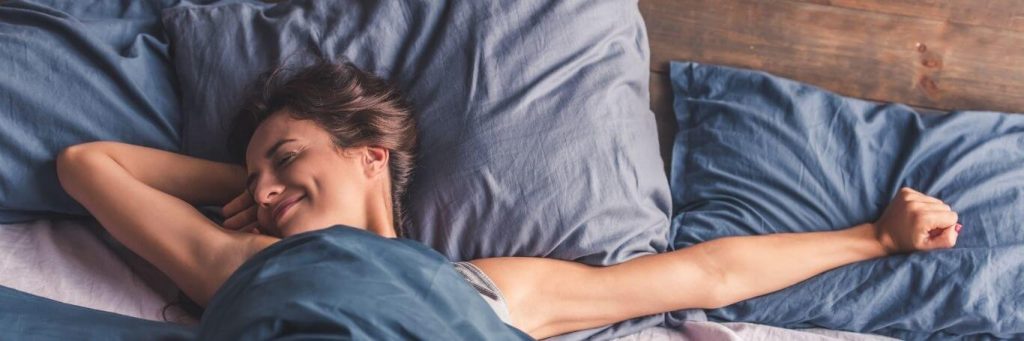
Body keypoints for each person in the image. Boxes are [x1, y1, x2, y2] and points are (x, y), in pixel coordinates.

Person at [55, 61, 962, 339]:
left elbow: (705, 275)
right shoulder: (244, 262)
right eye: (252, 174)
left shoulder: (490, 288)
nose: (262, 186)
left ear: (371, 155)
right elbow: (86, 164)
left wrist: (874, 240)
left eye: (286, 155)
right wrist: (252, 188)